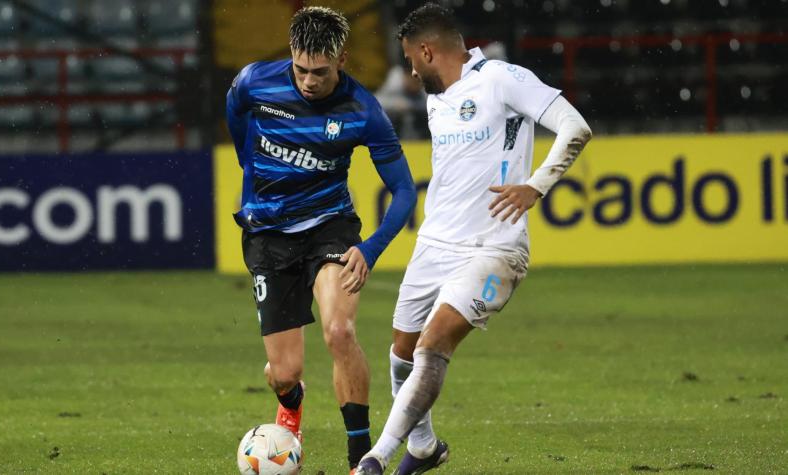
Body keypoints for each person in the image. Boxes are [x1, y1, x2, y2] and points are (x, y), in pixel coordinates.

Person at [355, 4, 592, 474]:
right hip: (434, 244)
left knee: (433, 343)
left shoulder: (502, 78)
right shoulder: (436, 96)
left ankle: (375, 460)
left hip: (494, 250)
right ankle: (422, 449)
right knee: (401, 353)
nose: (410, 70)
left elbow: (575, 127)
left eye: (410, 59)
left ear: (427, 50)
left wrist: (536, 185)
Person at [225, 6, 417, 473]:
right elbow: (235, 117)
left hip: (329, 227)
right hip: (268, 234)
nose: (309, 81)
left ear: (342, 60)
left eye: (320, 71)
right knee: (283, 373)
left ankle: (361, 459)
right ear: (291, 55)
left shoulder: (362, 110)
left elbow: (406, 191)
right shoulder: (253, 82)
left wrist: (369, 249)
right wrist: (250, 170)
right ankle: (291, 403)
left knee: (339, 331)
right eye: (301, 69)